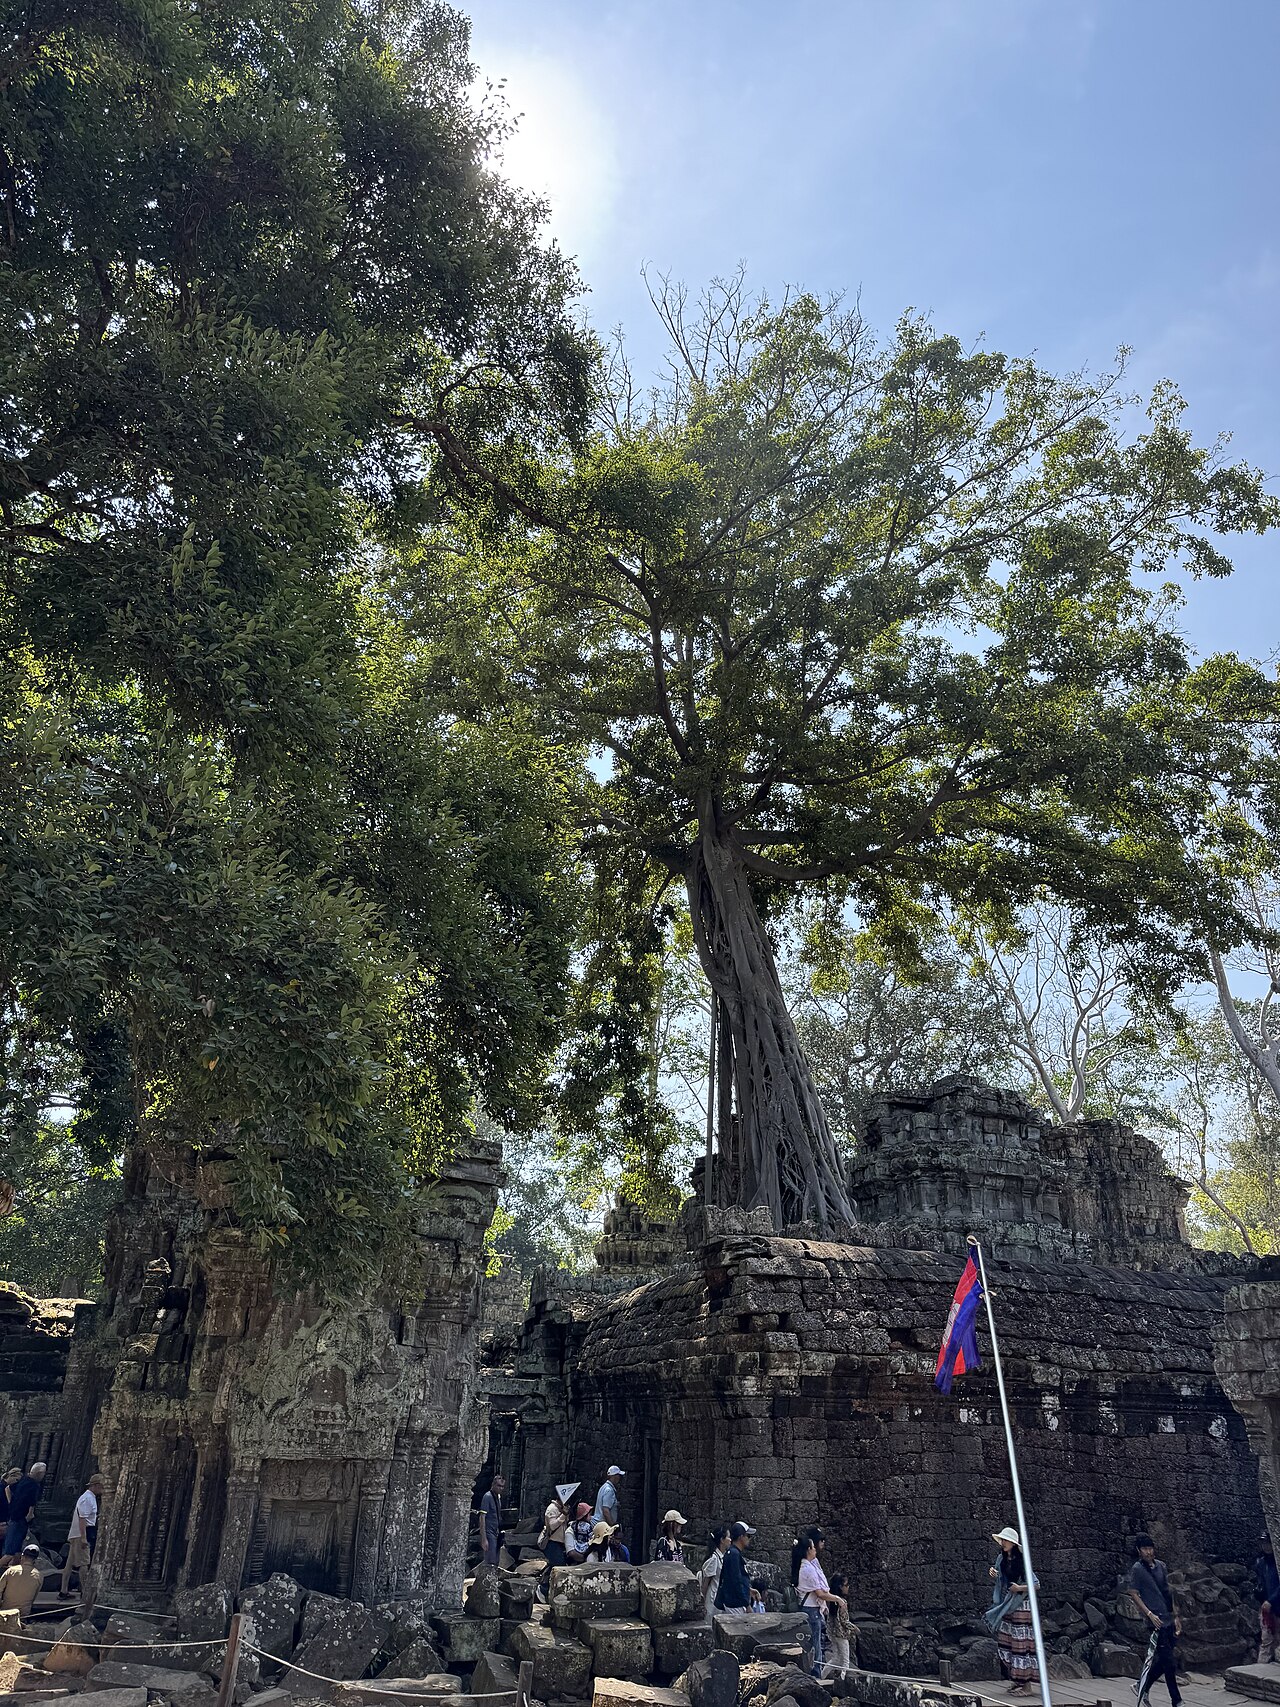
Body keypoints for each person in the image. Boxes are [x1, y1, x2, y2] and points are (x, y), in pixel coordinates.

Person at [1127, 1533, 1182, 1707]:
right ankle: (1177, 1700)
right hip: (1154, 1621)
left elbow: (1167, 1592)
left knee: (1165, 1660)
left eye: (1150, 1548)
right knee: (1169, 1662)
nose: (1148, 1552)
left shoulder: (1162, 1566)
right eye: (1145, 1549)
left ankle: (1141, 1686)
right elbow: (1134, 1594)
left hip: (1168, 1618)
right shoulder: (1137, 1569)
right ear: (1138, 1550)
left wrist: (1176, 1616)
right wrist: (1149, 1614)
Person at [990, 1526, 1039, 1695]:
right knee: (1006, 1641)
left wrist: (1019, 1588)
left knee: (1020, 1644)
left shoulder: (1022, 1561)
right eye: (1002, 1540)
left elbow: (1036, 1584)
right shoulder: (1002, 1560)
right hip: (1008, 1605)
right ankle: (1017, 1680)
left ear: (1012, 1543)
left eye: (1005, 1540)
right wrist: (995, 1574)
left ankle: (1026, 1685)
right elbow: (1003, 1581)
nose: (1003, 1543)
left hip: (1022, 1606)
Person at [794, 1528, 845, 1679]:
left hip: (811, 1608)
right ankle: (816, 1672)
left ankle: (815, 1670)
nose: (815, 1549)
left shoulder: (805, 1566)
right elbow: (820, 1593)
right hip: (811, 1610)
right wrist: (837, 1599)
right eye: (813, 1547)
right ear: (808, 1549)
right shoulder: (808, 1569)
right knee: (816, 1643)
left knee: (815, 1641)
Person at [61, 1474, 104, 1599]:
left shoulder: (89, 1498)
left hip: (77, 1533)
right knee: (84, 1562)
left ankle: (63, 1590)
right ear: (95, 1486)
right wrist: (84, 1537)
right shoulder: (87, 1499)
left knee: (69, 1564)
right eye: (101, 1487)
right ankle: (85, 1591)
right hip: (82, 1533)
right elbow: (82, 1519)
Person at [1, 1462, 46, 1565]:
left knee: (17, 1552)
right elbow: (32, 1503)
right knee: (10, 1553)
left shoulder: (23, 1480)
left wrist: (11, 1503)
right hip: (20, 1519)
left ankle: (13, 1573)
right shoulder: (34, 1485)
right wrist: (30, 1515)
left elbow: (8, 1489)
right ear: (39, 1473)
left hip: (14, 1517)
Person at [715, 1521, 755, 1611]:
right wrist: (746, 1604)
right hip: (735, 1604)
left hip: (733, 1602)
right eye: (748, 1536)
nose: (750, 1539)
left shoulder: (733, 1553)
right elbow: (735, 1581)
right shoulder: (734, 1554)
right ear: (741, 1537)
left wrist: (748, 1590)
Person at [824, 1571, 858, 1680]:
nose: (848, 1587)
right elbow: (844, 1621)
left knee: (835, 1658)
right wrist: (854, 1628)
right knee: (845, 1661)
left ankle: (821, 1676)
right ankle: (844, 1681)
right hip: (842, 1635)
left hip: (833, 1633)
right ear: (840, 1587)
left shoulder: (831, 1600)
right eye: (846, 1585)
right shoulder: (842, 1602)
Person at [0, 1542, 43, 1619]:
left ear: (22, 1557)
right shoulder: (39, 1576)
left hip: (5, 1613)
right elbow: (33, 1598)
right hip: (24, 1615)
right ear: (35, 1560)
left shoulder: (11, 1571)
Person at [540, 1482, 579, 1568]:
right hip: (552, 1542)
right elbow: (553, 1525)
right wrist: (563, 1515)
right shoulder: (552, 1509)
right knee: (559, 1565)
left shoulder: (562, 1508)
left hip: (560, 1542)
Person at [1256, 1531, 1278, 1665]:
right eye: (1264, 1543)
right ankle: (1260, 1669)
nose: (1266, 1546)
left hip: (1276, 1605)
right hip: (1266, 1607)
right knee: (1266, 1640)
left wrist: (1272, 1600)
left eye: (1268, 1543)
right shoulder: (1261, 1562)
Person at [700, 1525, 732, 1619]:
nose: (730, 1540)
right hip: (712, 1600)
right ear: (722, 1540)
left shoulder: (722, 1557)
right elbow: (706, 1583)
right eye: (728, 1537)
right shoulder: (714, 1559)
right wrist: (702, 1603)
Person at [476, 1473, 505, 1569]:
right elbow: (482, 1517)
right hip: (489, 1532)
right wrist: (483, 1538)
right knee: (490, 1560)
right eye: (499, 1486)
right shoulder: (487, 1497)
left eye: (502, 1486)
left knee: (496, 1559)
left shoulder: (498, 1498)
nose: (501, 1488)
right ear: (493, 1485)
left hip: (496, 1531)